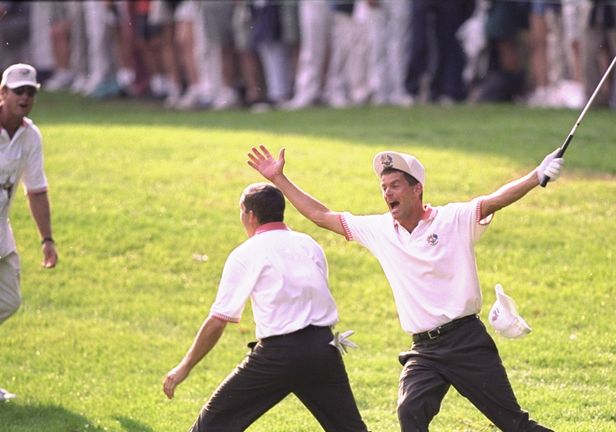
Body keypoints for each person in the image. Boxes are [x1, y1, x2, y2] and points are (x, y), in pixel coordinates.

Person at [247, 144, 562, 431]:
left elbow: (495, 199)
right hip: (424, 351)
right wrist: (280, 179)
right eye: (384, 187)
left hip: (467, 343)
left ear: (417, 189)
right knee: (410, 411)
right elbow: (321, 215)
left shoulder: (453, 219)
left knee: (514, 425)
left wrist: (537, 175)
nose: (387, 193)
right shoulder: (380, 230)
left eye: (395, 185)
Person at [162, 183, 368, 432]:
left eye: (241, 211)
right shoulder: (309, 244)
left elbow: (218, 320)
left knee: (212, 426)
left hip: (279, 354)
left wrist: (184, 367)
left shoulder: (246, 253)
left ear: (250, 215)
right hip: (324, 348)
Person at [0, 63, 58, 401]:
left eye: (30, 92)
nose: (24, 97)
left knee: (9, 300)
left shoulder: (30, 134)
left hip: (1, 234)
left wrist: (46, 239)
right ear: (3, 93)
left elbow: (35, 189)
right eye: (18, 90)